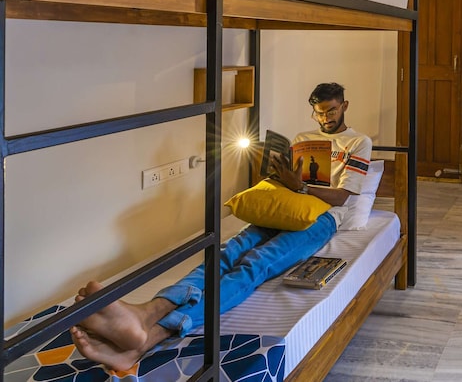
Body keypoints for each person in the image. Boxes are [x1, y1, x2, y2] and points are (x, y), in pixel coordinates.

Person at [69, 82, 373, 371]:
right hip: (285, 208)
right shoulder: (303, 138)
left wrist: (301, 187)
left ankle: (152, 335)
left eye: (331, 111)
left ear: (344, 106)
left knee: (257, 262)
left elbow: (343, 196)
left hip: (323, 219)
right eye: (319, 113)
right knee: (226, 252)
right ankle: (147, 312)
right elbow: (287, 183)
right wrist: (279, 177)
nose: (325, 118)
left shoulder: (359, 142)